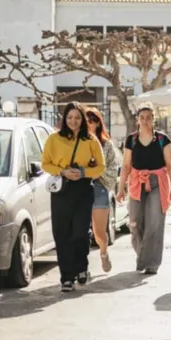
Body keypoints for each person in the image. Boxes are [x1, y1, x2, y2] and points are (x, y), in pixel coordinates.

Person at [41, 102, 106, 292]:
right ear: (64, 119)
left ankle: (82, 268)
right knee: (62, 233)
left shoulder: (91, 140)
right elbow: (45, 164)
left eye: (77, 117)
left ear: (82, 119)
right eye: (69, 117)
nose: (73, 121)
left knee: (80, 232)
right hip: (62, 189)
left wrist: (83, 172)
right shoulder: (53, 139)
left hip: (83, 189)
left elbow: (101, 166)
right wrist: (62, 171)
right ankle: (66, 277)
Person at [117, 104, 171, 275]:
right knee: (135, 222)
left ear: (153, 120)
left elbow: (170, 165)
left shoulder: (162, 139)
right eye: (142, 117)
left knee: (154, 222)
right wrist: (121, 188)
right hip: (137, 182)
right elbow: (126, 165)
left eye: (148, 117)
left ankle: (152, 263)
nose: (145, 121)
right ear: (137, 119)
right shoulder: (131, 140)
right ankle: (143, 256)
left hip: (158, 182)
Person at [85, 106, 119, 273]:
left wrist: (96, 173)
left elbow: (113, 170)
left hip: (99, 189)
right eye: (86, 121)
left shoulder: (107, 145)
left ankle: (103, 253)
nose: (89, 124)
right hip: (79, 189)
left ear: (98, 123)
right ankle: (83, 266)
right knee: (81, 232)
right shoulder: (76, 143)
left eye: (92, 121)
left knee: (99, 232)